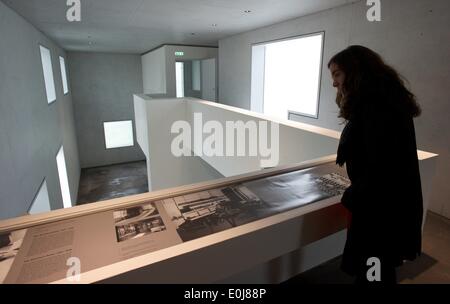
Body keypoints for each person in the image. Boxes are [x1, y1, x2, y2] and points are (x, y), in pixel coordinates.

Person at [328, 45, 423, 284]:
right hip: (385, 206)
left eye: (337, 74)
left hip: (379, 211)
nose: (334, 83)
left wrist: (352, 197)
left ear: (356, 71)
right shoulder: (384, 102)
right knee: (377, 268)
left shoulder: (376, 108)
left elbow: (382, 168)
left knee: (373, 268)